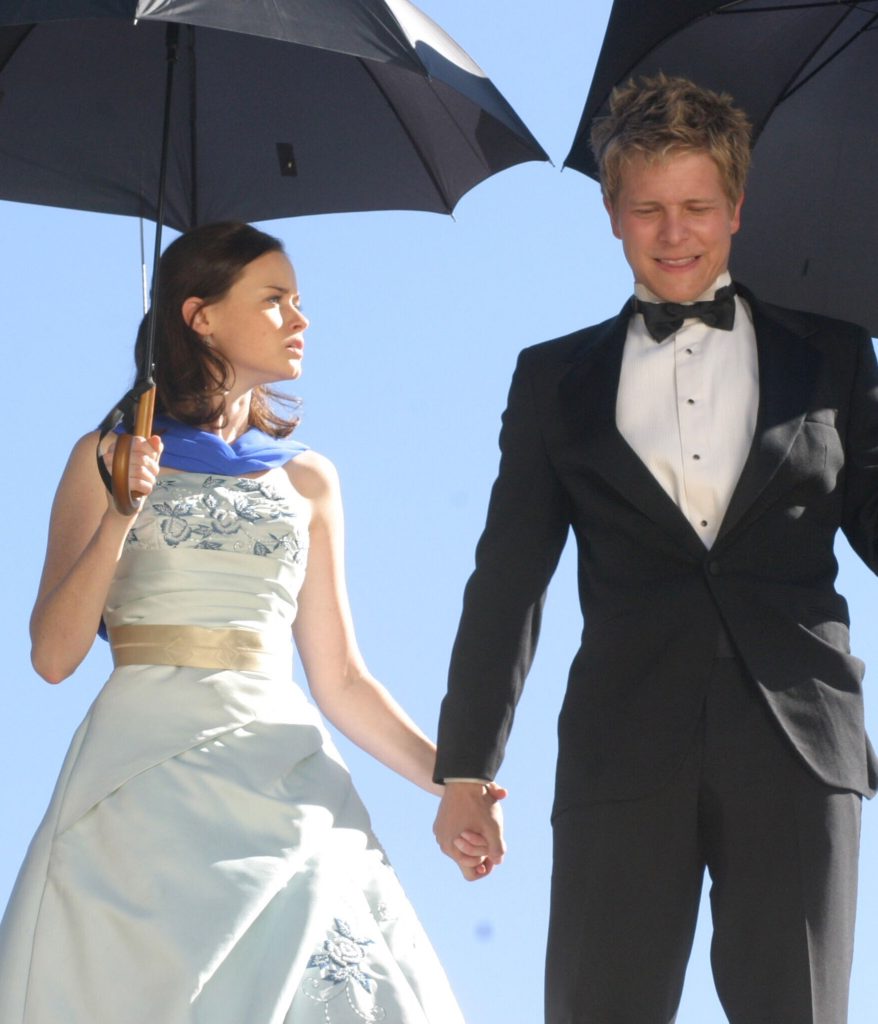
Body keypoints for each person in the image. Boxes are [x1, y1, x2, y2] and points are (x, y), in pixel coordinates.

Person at [432, 74, 878, 1024]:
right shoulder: (552, 380)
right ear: (612, 215)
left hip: (798, 746)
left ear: (738, 210)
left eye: (697, 208)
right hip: (621, 747)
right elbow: (508, 576)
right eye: (649, 210)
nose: (675, 234)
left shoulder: (835, 357)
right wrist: (466, 767)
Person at [0, 221, 471, 1024]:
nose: (301, 318)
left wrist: (453, 778)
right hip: (140, 782)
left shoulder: (310, 481)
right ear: (200, 316)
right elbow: (52, 655)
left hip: (283, 773)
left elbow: (343, 678)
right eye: (276, 299)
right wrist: (120, 511)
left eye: (299, 300)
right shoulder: (103, 456)